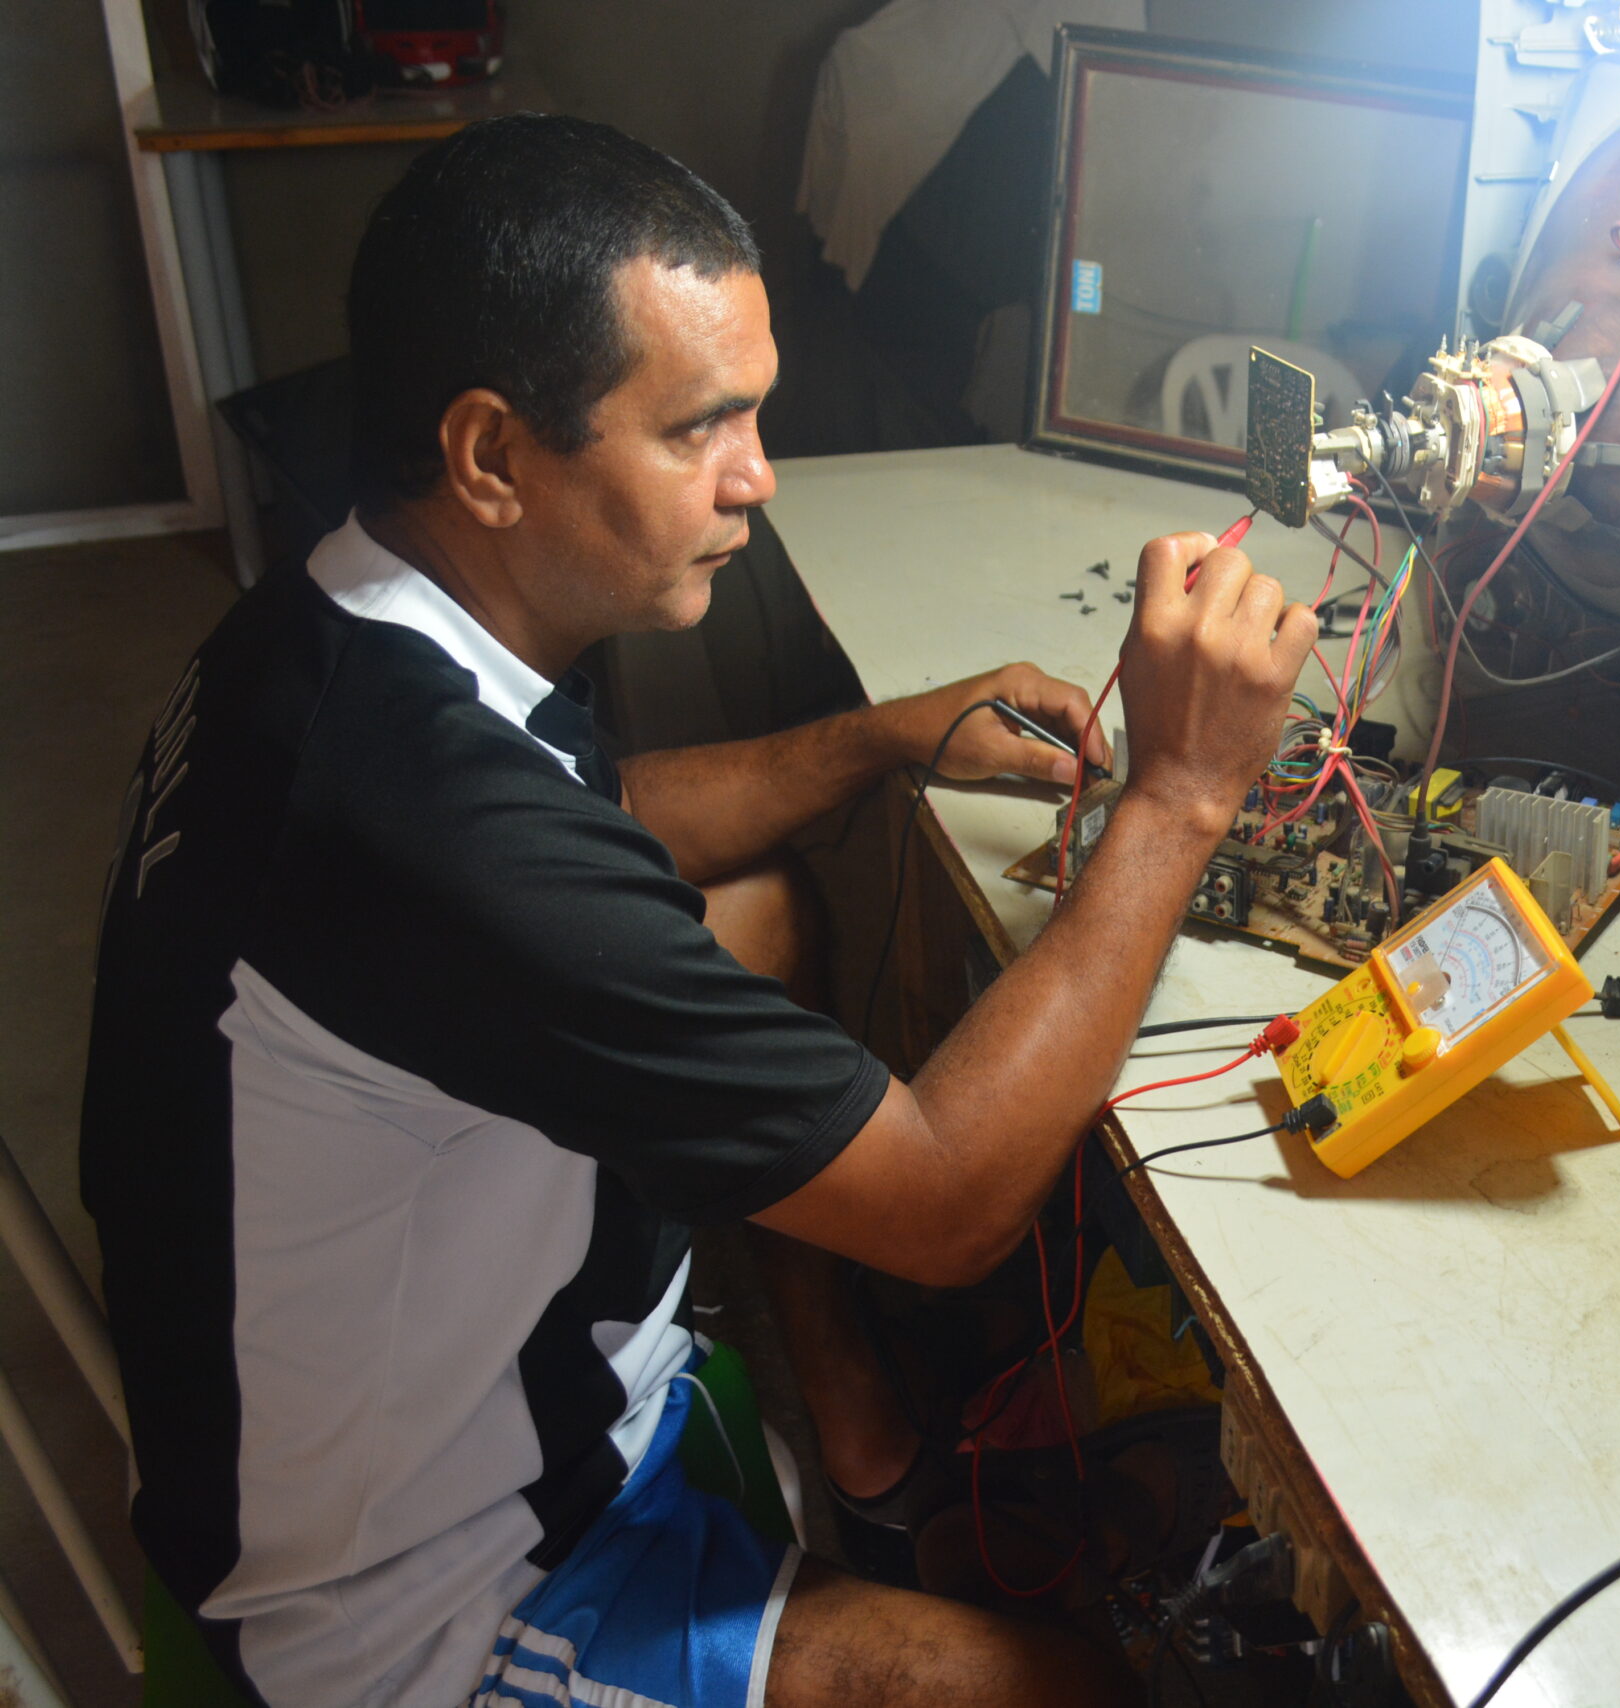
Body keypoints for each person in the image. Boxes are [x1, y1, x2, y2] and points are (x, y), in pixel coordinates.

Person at [80, 113, 1316, 1708]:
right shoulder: (429, 822)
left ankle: (841, 1406)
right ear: (491, 452)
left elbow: (599, 833)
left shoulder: (352, 615)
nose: (759, 478)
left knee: (749, 912)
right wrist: (1181, 798)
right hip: (418, 1600)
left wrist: (881, 738)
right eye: (700, 429)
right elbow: (949, 1208)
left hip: (465, 1384)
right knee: (1061, 1688)